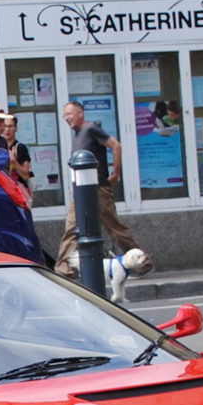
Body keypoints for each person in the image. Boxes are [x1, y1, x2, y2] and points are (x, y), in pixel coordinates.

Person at [53, 99, 144, 281]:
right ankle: (63, 270)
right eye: (65, 115)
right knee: (71, 228)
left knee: (115, 228)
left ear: (81, 113)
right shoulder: (78, 135)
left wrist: (115, 173)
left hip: (98, 189)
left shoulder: (91, 129)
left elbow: (116, 145)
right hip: (79, 191)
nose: (67, 118)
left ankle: (143, 265)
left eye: (70, 113)